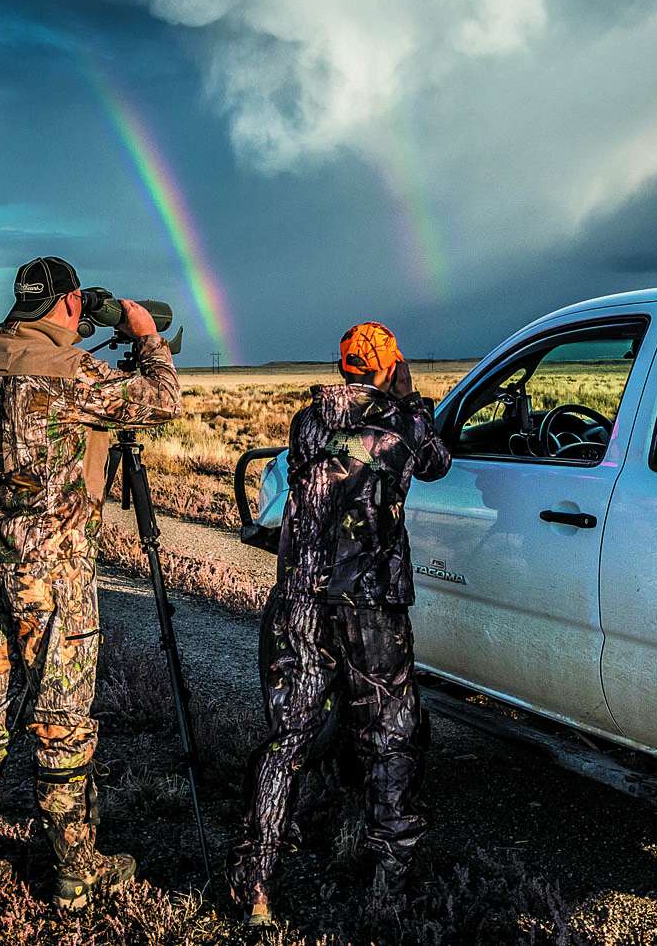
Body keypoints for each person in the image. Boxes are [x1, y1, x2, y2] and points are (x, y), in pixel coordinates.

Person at [0, 256, 182, 912]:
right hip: (53, 571)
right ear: (71, 303)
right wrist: (147, 336)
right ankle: (76, 869)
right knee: (63, 724)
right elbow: (162, 402)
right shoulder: (73, 374)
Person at [225, 321, 451, 930]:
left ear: (342, 363)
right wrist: (406, 396)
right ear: (387, 366)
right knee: (388, 734)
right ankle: (387, 881)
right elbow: (436, 463)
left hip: (301, 600)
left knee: (289, 737)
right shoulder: (402, 422)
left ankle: (258, 888)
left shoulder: (307, 421)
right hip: (371, 607)